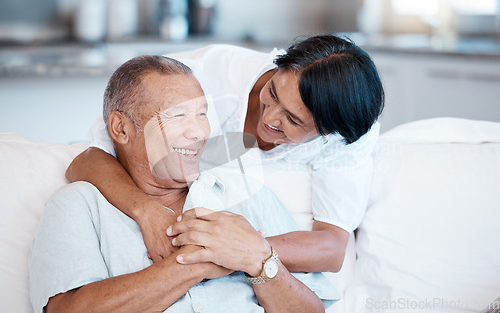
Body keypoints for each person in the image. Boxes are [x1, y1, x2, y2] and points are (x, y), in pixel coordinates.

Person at [29, 55, 338, 313]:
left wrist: (260, 260)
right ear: (121, 129)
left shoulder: (246, 194)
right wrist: (199, 261)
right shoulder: (78, 205)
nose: (198, 132)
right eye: (177, 115)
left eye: (202, 114)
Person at [66, 34, 385, 273]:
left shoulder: (349, 135)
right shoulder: (204, 78)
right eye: (272, 93)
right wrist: (147, 212)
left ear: (327, 132)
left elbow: (331, 248)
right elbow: (91, 157)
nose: (270, 117)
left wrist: (239, 248)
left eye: (293, 119)